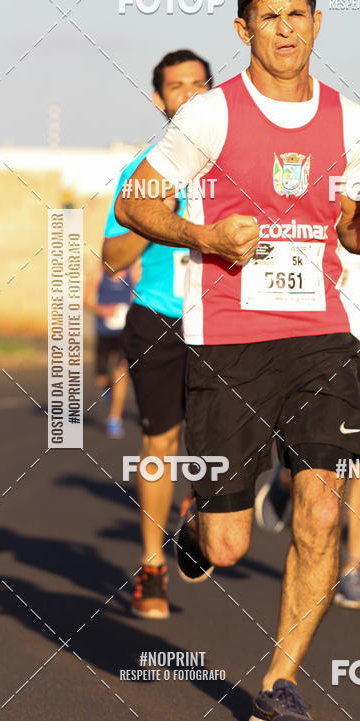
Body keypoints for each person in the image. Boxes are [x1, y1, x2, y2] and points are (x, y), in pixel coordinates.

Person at [115, 0, 360, 721]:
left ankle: (280, 684)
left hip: (320, 338)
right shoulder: (209, 115)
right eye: (268, 15)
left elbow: (347, 229)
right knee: (230, 543)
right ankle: (200, 524)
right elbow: (133, 200)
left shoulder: (351, 119)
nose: (285, 27)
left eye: (298, 13)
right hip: (229, 341)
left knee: (318, 507)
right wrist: (204, 235)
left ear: (317, 23)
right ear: (243, 29)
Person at [256, 184, 360, 611]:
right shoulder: (305, 192)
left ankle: (353, 569)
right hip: (313, 343)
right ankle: (285, 477)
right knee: (313, 459)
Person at [102, 49, 212, 619]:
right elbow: (112, 255)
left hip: (225, 318)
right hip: (160, 316)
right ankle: (151, 567)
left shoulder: (233, 162)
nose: (190, 94)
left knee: (231, 444)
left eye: (200, 84)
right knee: (161, 443)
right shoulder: (143, 170)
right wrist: (152, 219)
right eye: (177, 86)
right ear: (159, 98)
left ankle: (198, 513)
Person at [84, 265, 135, 438]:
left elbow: (140, 296)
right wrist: (103, 310)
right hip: (104, 333)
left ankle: (114, 419)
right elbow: (86, 300)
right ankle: (107, 388)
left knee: (121, 372)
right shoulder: (98, 273)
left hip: (124, 333)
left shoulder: (132, 272)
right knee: (101, 379)